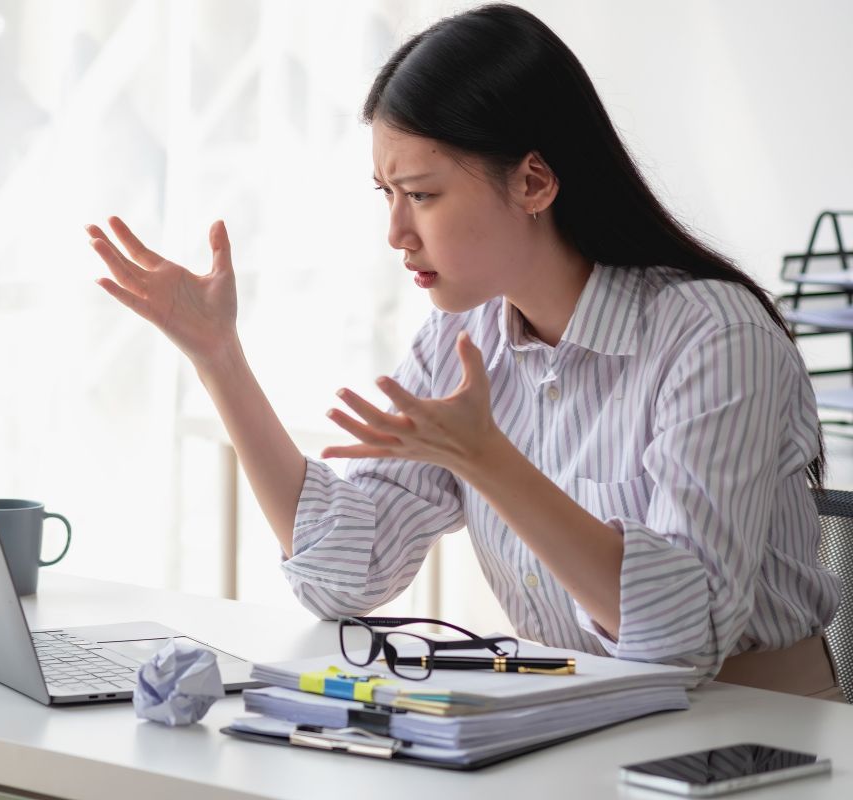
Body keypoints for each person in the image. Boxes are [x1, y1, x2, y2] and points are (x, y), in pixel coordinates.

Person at [85, 4, 841, 695]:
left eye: (422, 194)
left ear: (534, 182)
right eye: (386, 194)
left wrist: (489, 460)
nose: (396, 233)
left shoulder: (714, 336)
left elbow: (684, 638)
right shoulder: (462, 336)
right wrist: (221, 359)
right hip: (576, 720)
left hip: (757, 731)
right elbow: (346, 573)